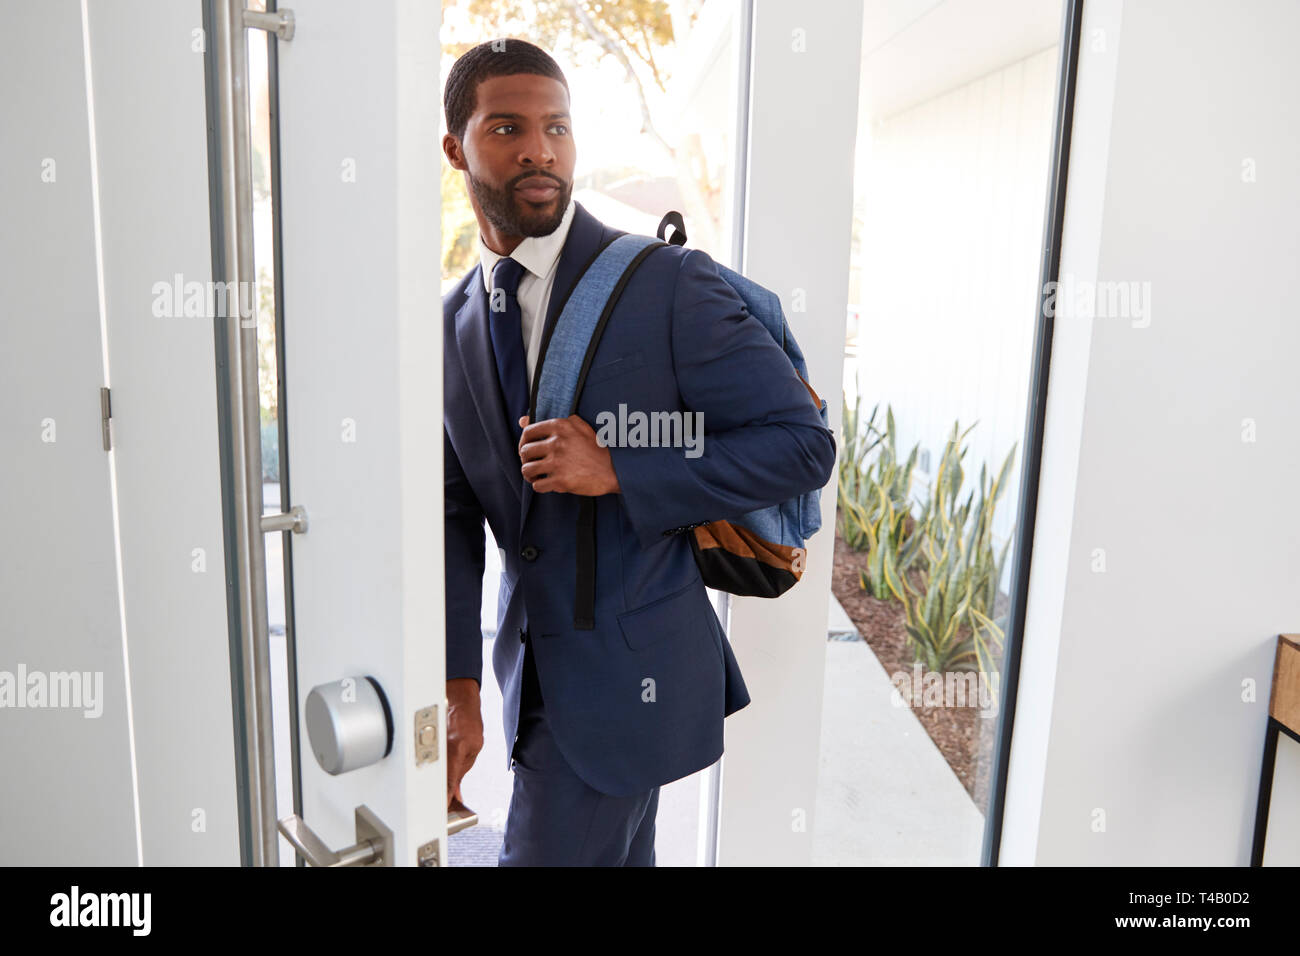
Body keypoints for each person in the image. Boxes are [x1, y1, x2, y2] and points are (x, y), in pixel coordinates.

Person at [440, 37, 836, 866]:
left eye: (557, 127)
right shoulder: (452, 323)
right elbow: (456, 514)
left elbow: (802, 447)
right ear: (457, 149)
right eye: (506, 128)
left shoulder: (666, 285)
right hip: (531, 682)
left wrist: (620, 468)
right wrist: (460, 685)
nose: (540, 150)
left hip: (630, 681)